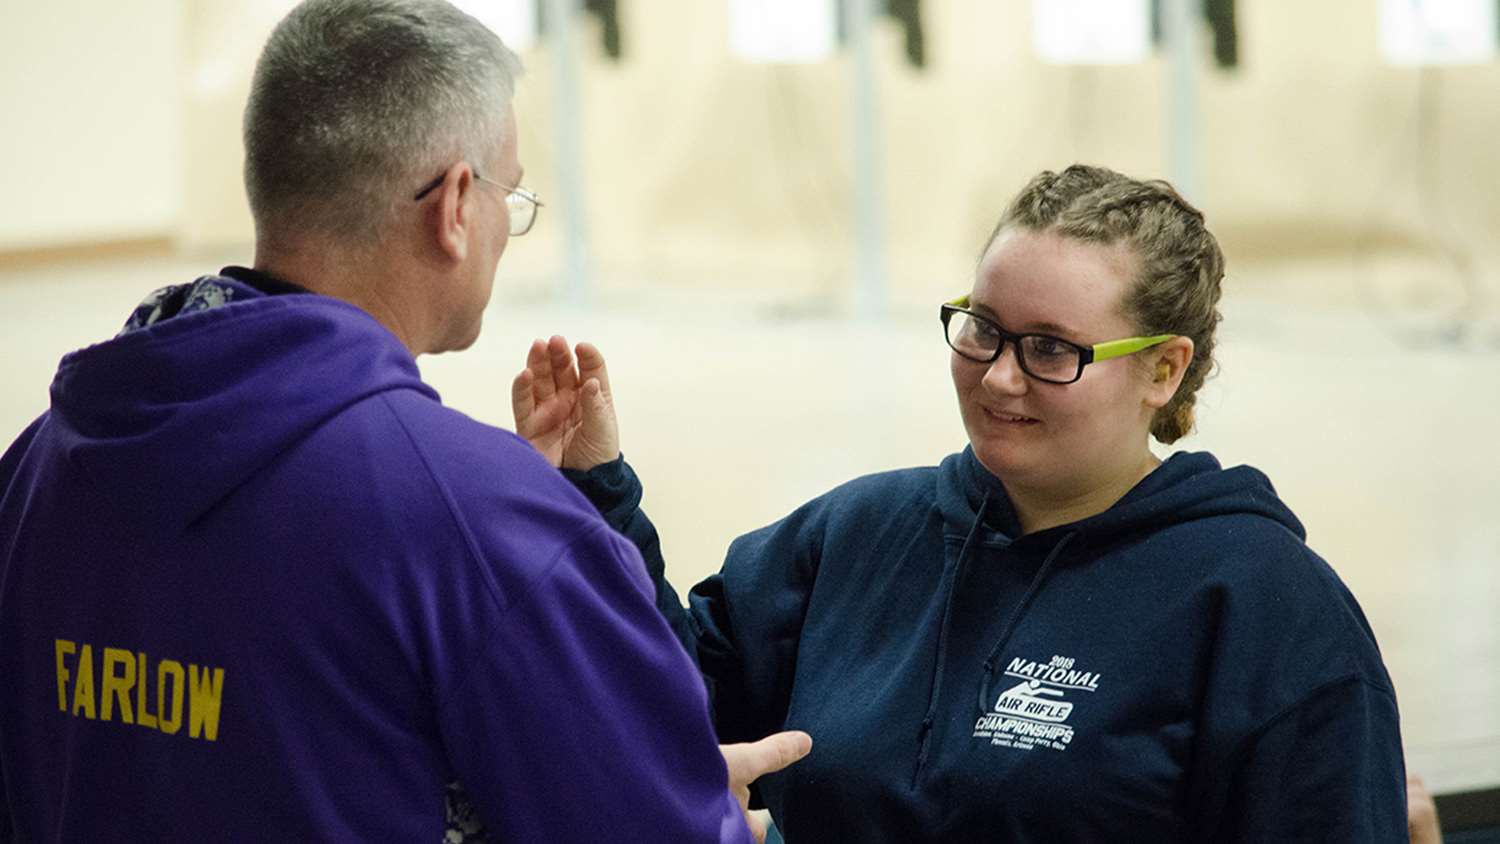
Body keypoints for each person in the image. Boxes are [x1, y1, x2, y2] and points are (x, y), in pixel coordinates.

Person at [0, 1, 806, 841]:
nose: (508, 227)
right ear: (456, 203)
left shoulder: (37, 466)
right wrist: (697, 806)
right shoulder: (490, 524)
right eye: (511, 192)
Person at [513, 164, 1408, 841]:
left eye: (1052, 348)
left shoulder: (1265, 607)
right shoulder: (856, 536)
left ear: (1162, 368)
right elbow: (667, 696)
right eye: (982, 329)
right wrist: (594, 493)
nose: (1000, 376)